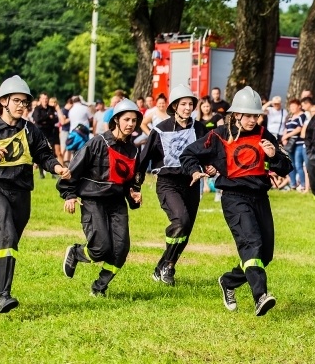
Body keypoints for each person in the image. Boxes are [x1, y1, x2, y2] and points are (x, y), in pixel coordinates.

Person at [181, 87, 292, 315]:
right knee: (252, 245)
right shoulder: (219, 135)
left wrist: (274, 157)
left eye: (256, 116)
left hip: (260, 197)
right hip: (234, 198)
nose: (253, 120)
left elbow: (286, 166)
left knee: (265, 255)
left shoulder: (264, 134)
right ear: (236, 115)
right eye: (248, 115)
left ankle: (229, 281)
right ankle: (260, 296)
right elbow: (189, 153)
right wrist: (195, 170)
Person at [0, 76, 69, 313]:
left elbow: (44, 155)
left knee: (7, 243)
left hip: (21, 193)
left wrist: (58, 168)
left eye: (25, 102)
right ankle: (4, 296)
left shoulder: (31, 130)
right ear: (3, 101)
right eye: (17, 101)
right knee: (6, 234)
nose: (22, 106)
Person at [58, 99, 142, 297]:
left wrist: (134, 192)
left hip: (117, 202)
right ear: (116, 121)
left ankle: (99, 287)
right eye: (126, 119)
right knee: (100, 249)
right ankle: (76, 252)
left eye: (134, 120)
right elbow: (73, 170)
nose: (130, 124)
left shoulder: (134, 150)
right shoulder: (97, 142)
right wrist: (69, 194)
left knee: (121, 250)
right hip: (93, 200)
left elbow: (132, 179)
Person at [135, 85, 208, 286]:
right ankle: (168, 265)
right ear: (174, 106)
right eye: (183, 104)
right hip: (168, 184)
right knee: (181, 221)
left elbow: (209, 152)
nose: (187, 108)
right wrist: (135, 186)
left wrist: (210, 167)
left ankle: (164, 267)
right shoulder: (160, 129)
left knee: (185, 231)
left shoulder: (200, 128)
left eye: (190, 104)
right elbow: (143, 159)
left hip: (192, 184)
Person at [280, 98, 308, 191]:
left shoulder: (302, 116)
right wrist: (284, 139)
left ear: (299, 106)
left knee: (298, 164)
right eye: (290, 106)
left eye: (293, 106)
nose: (292, 108)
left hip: (298, 143)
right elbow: (286, 128)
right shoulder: (290, 117)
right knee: (290, 164)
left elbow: (298, 129)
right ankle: (293, 184)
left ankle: (303, 184)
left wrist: (286, 136)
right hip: (289, 144)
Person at [32, 92, 62, 174]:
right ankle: (41, 173)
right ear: (40, 99)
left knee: (51, 151)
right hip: (40, 133)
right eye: (43, 98)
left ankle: (53, 171)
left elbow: (55, 119)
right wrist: (48, 117)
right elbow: (37, 119)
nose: (45, 100)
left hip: (50, 132)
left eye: (46, 98)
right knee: (41, 152)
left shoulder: (51, 108)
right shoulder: (37, 109)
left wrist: (45, 120)